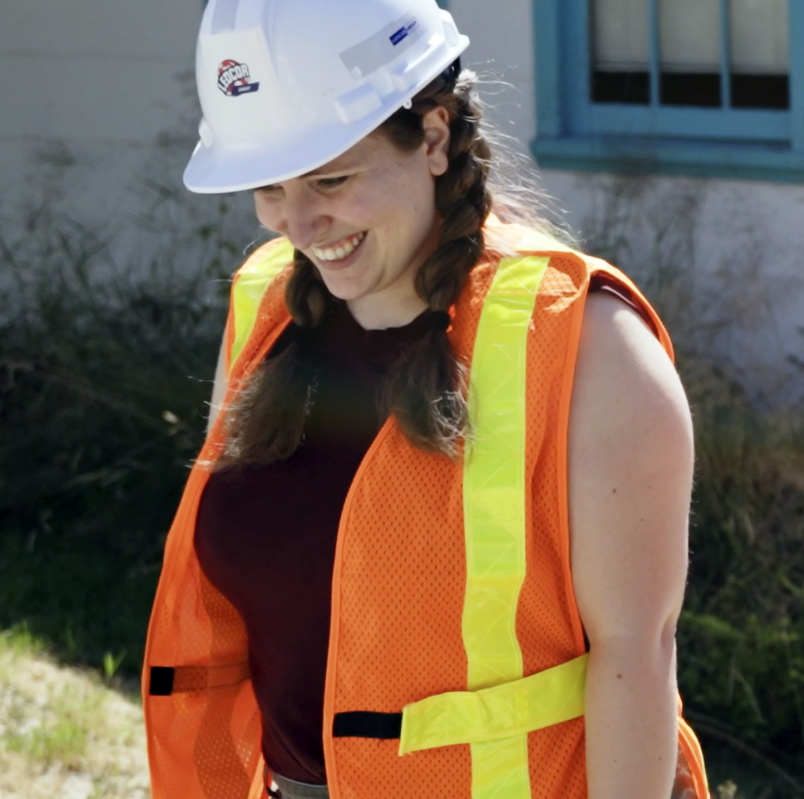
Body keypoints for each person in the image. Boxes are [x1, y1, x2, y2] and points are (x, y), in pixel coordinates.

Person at [139, 1, 709, 798]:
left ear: (433, 136)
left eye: (331, 178)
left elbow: (635, 655)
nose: (298, 222)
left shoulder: (591, 346)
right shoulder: (262, 306)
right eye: (267, 186)